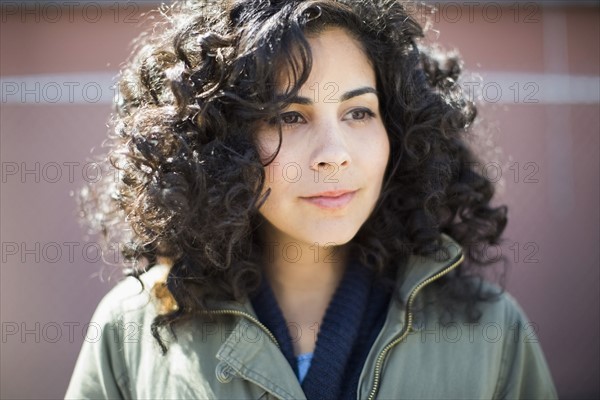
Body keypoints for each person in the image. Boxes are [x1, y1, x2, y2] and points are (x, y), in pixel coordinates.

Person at [66, 0, 558, 399]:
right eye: (290, 117)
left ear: (400, 130)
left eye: (359, 112)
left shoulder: (492, 330)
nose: (334, 156)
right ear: (220, 143)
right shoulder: (130, 326)